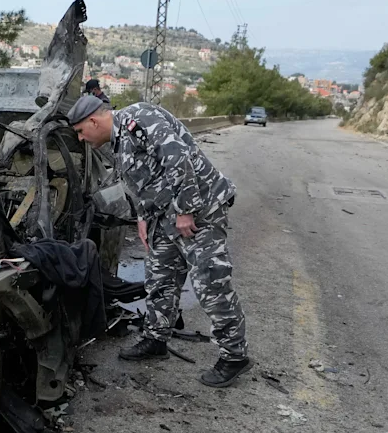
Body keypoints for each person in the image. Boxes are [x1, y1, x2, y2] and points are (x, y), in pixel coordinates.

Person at [67, 94, 251, 387]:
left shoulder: (138, 119)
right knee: (160, 279)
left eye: (80, 131)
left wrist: (186, 210)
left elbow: (177, 158)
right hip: (163, 216)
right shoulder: (116, 141)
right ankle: (156, 339)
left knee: (210, 283)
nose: (80, 138)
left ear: (93, 120)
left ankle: (234, 355)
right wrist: (142, 216)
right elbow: (140, 180)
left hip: (200, 209)